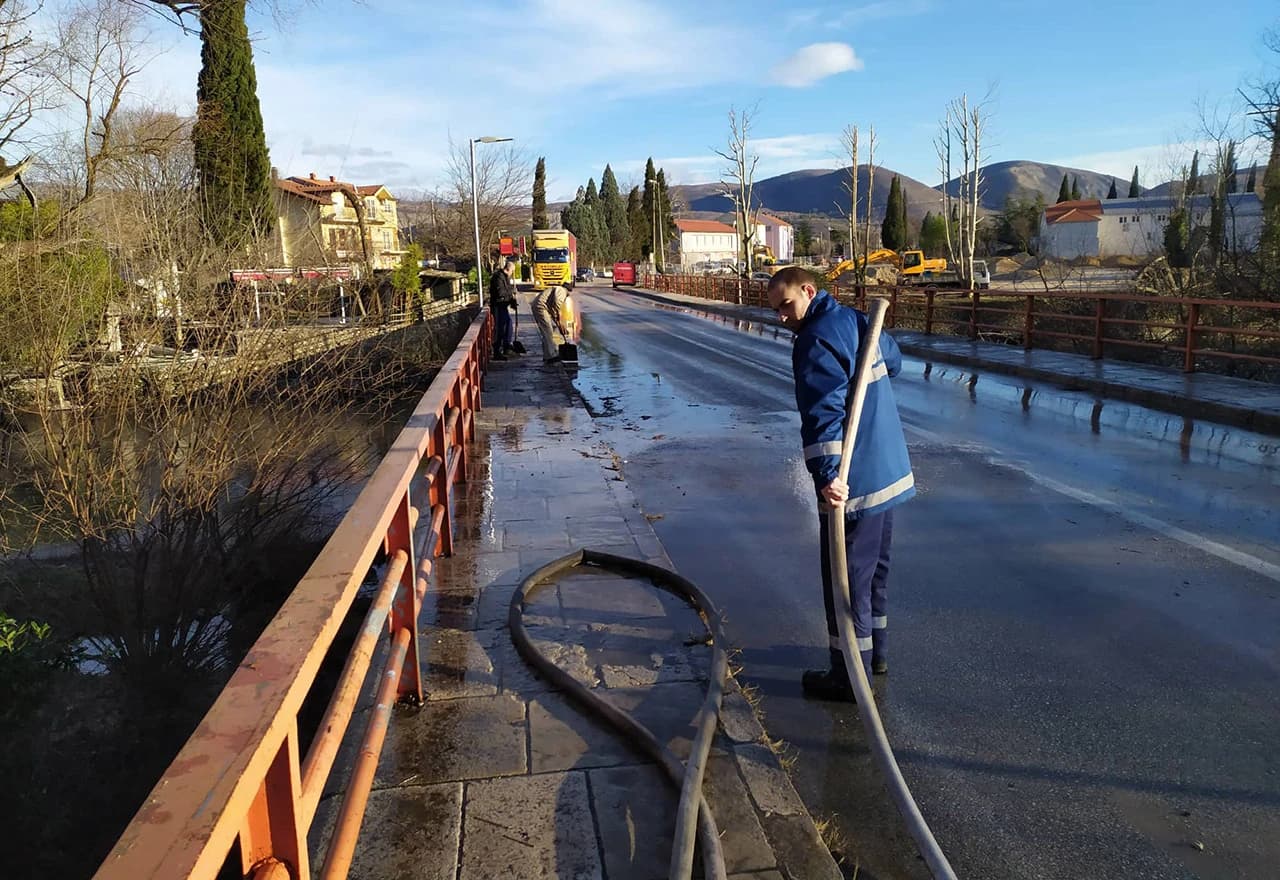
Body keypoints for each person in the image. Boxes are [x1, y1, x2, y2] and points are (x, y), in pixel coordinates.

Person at [765, 266, 915, 702]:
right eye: (776, 310)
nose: (782, 317)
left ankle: (850, 676)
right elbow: (897, 361)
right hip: (888, 473)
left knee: (845, 583)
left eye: (787, 305)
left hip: (856, 481)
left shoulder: (815, 340)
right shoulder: (857, 321)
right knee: (874, 576)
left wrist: (828, 477)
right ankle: (877, 656)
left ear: (809, 291)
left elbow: (822, 416)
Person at [532, 284, 572, 364]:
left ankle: (547, 354)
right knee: (547, 331)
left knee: (546, 331)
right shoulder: (562, 290)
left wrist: (559, 324)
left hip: (540, 306)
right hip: (541, 307)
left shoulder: (557, 289)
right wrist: (559, 319)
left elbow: (553, 311)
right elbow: (557, 304)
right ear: (568, 290)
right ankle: (551, 356)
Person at [488, 259, 518, 359]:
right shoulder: (498, 277)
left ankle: (506, 346)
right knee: (500, 328)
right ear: (509, 269)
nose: (512, 274)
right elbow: (501, 292)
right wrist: (510, 294)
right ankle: (497, 351)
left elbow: (508, 290)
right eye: (512, 272)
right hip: (497, 305)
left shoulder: (505, 277)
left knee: (508, 325)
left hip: (503, 306)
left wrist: (512, 301)